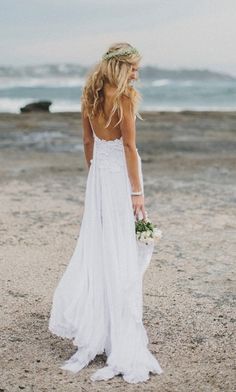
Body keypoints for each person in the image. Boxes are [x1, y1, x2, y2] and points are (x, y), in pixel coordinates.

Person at [48, 42, 163, 383]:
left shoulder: (89, 96)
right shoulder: (124, 98)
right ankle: (118, 332)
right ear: (120, 67)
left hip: (98, 177)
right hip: (118, 180)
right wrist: (137, 192)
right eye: (133, 67)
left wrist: (93, 175)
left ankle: (99, 327)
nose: (136, 73)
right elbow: (129, 146)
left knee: (101, 248)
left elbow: (87, 143)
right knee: (121, 251)